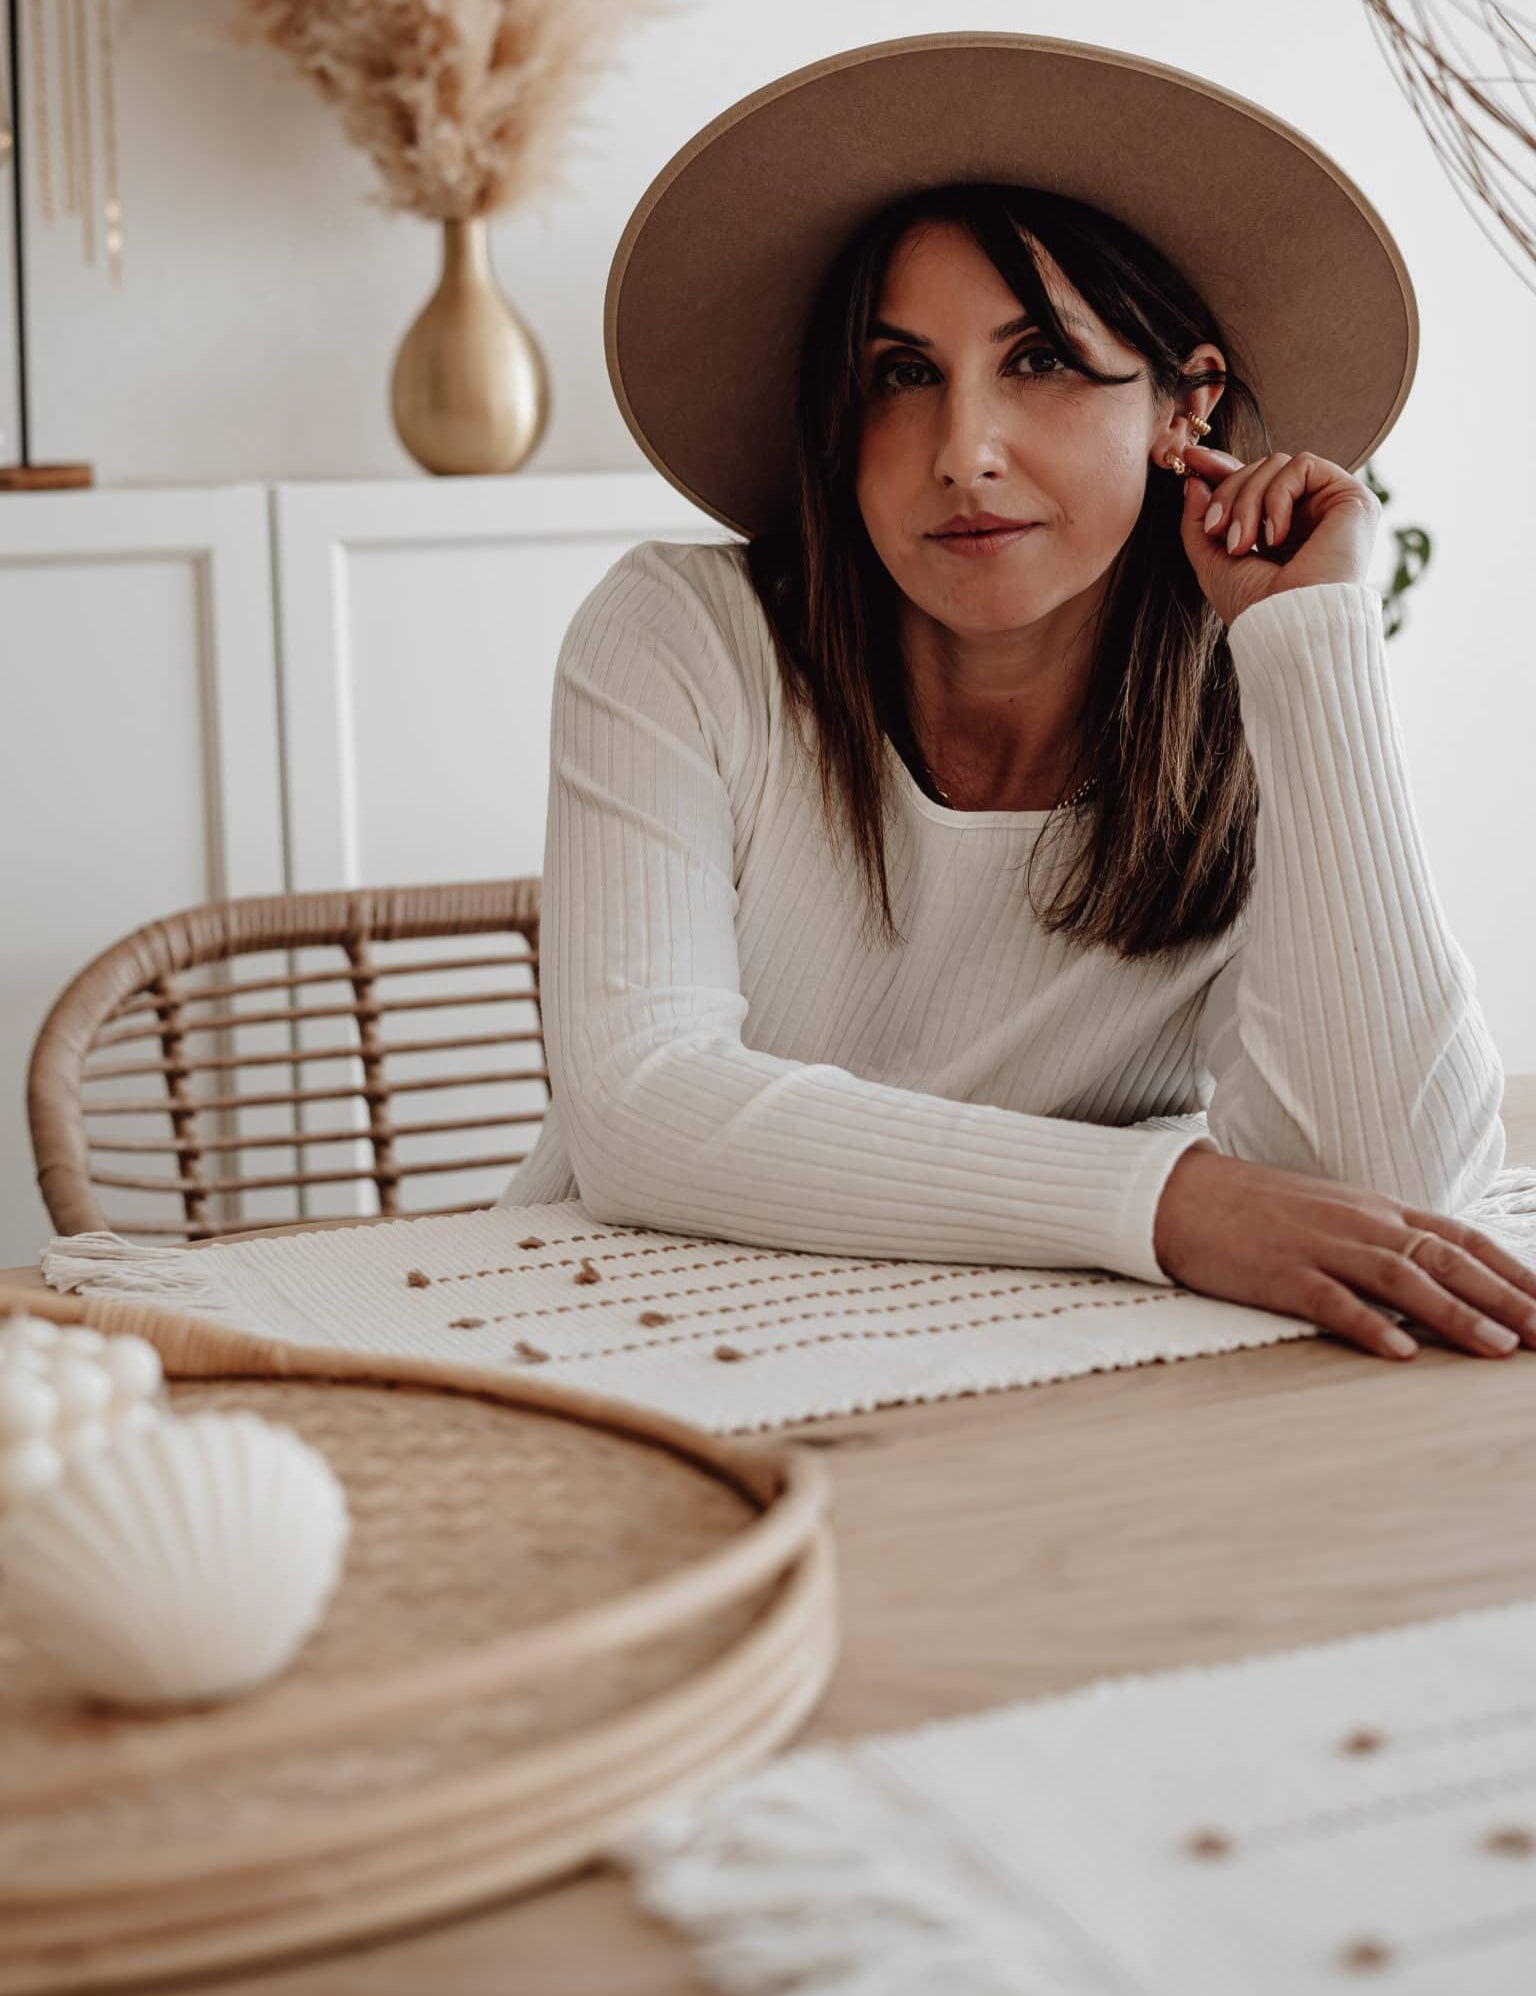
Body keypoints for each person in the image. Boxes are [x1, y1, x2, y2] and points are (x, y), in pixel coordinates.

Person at [499, 33, 1536, 1364]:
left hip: (1033, 1378)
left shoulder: (1254, 704)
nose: (963, 453)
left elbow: (1398, 1194)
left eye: (1039, 358)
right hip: (617, 1348)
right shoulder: (683, 636)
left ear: (1186, 407)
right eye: (903, 373)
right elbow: (640, 1110)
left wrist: (1312, 640)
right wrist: (1165, 1202)